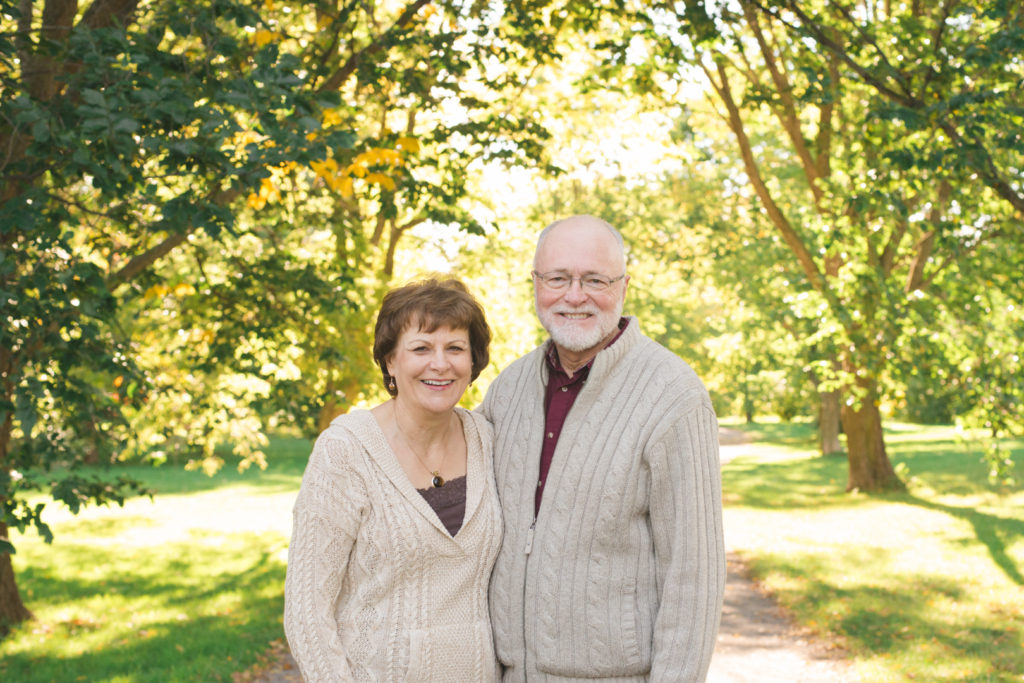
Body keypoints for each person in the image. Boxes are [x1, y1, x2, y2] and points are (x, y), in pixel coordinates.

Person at [480, 215, 726, 681]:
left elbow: (694, 578)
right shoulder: (506, 390)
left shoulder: (673, 394)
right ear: (536, 283)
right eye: (558, 279)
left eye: (595, 280)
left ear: (624, 286)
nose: (575, 296)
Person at [284, 277, 502, 682]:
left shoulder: (488, 439)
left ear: (473, 361)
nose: (440, 363)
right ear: (390, 361)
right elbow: (306, 611)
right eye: (421, 348)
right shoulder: (346, 451)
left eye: (455, 348)